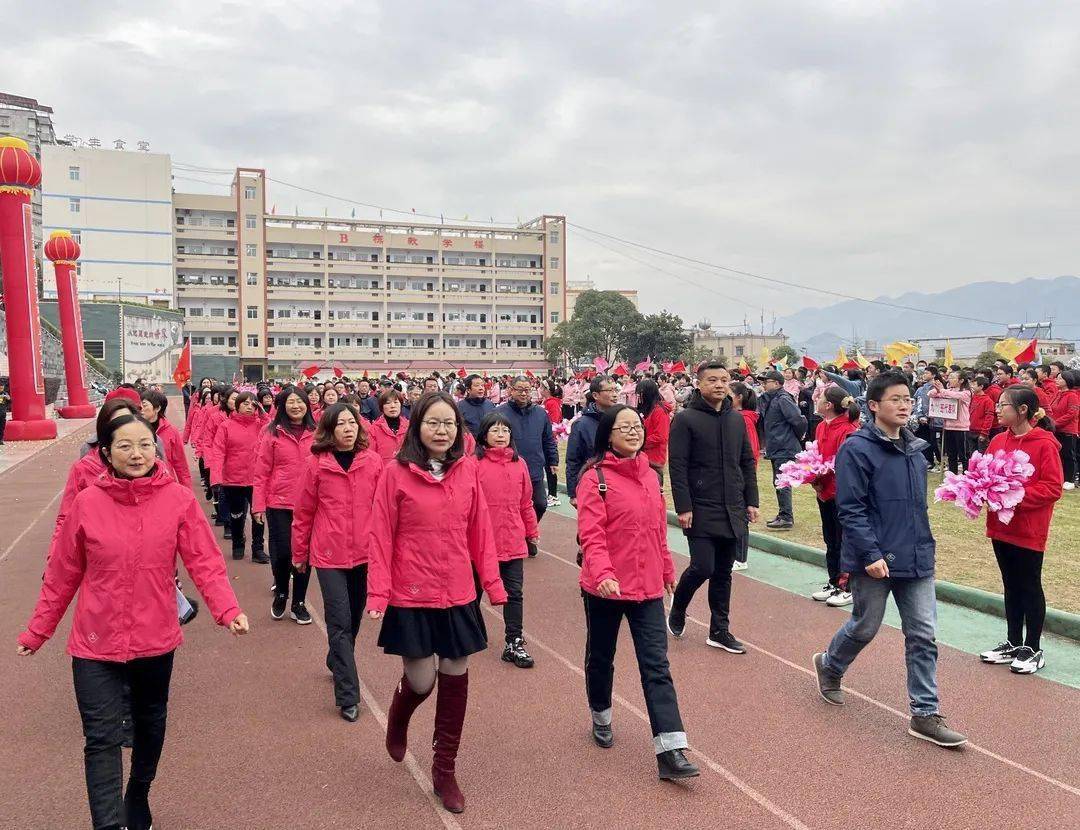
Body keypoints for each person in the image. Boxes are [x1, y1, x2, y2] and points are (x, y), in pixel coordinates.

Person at [17, 412, 249, 830]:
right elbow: (62, 573)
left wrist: (227, 609)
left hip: (154, 636)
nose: (136, 453)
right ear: (106, 452)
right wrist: (39, 630)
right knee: (101, 738)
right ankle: (107, 822)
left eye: (144, 444)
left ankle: (138, 792)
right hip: (94, 639)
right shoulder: (87, 503)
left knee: (149, 726)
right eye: (124, 445)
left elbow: (205, 561)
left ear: (155, 448)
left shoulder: (178, 499)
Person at [367, 391, 506, 814]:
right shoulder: (395, 473)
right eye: (433, 422)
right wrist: (378, 591)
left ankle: (444, 770)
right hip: (411, 593)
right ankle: (400, 713)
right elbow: (380, 534)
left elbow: (480, 531)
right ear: (417, 426)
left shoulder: (468, 472)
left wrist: (495, 586)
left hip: (459, 592)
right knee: (423, 680)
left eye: (449, 423)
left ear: (459, 429)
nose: (442, 431)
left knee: (455, 673)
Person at [812, 374, 967, 748]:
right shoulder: (857, 448)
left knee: (923, 635)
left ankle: (925, 713)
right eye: (895, 399)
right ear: (873, 406)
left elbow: (916, 509)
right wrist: (870, 554)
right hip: (874, 561)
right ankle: (830, 665)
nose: (903, 405)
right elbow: (850, 510)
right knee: (865, 627)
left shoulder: (915, 449)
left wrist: (924, 547)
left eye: (907, 400)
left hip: (916, 558)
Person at [577, 404, 699, 780]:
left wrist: (666, 569)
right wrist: (604, 574)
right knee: (601, 656)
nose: (633, 432)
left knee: (656, 667)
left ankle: (671, 750)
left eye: (637, 426)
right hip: (606, 588)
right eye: (624, 427)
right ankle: (601, 713)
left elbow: (656, 531)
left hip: (646, 588)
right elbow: (592, 535)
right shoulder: (593, 478)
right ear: (608, 434)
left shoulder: (649, 476)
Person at [292, 403, 383, 722]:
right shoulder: (316, 465)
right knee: (339, 620)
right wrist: (299, 554)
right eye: (340, 423)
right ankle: (348, 694)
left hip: (364, 553)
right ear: (329, 430)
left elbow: (384, 510)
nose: (347, 428)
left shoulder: (373, 463)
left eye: (352, 422)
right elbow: (303, 513)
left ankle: (336, 658)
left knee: (354, 618)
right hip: (328, 554)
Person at [667, 362, 759, 654]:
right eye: (712, 380)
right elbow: (678, 467)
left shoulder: (736, 420)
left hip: (732, 506)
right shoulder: (685, 420)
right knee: (702, 566)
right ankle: (678, 606)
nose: (719, 385)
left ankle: (719, 630)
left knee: (724, 571)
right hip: (700, 506)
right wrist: (684, 506)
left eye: (724, 380)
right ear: (699, 385)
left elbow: (747, 462)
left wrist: (751, 500)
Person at [979, 386, 1062, 674]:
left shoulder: (1044, 443)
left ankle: (1033, 647)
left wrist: (1013, 496)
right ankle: (1013, 641)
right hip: (1001, 527)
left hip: (1028, 527)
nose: (998, 409)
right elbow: (984, 475)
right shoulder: (998, 440)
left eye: (1003, 405)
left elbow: (1052, 487)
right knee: (1010, 584)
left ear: (1023, 410)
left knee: (1029, 584)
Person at [474, 412, 539, 668]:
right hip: (480, 542)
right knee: (472, 593)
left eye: (505, 431)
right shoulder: (473, 464)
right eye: (495, 430)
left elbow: (526, 502)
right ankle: (468, 634)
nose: (501, 435)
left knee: (515, 594)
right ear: (484, 435)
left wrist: (531, 530)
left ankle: (514, 641)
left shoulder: (519, 463)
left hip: (512, 539)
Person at [253, 386, 317, 624]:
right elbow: (261, 472)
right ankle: (281, 592)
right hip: (279, 502)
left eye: (299, 402)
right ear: (282, 406)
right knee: (282, 555)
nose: (296, 406)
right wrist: (258, 505)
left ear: (307, 405)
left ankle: (298, 602)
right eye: (290, 402)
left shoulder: (318, 432)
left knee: (304, 555)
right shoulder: (272, 432)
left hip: (310, 505)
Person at [809, 386, 860, 606]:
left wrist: (824, 478)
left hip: (843, 493)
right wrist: (813, 478)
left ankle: (848, 586)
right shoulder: (821, 426)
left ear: (828, 405)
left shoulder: (848, 430)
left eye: (819, 398)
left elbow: (845, 465)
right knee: (830, 539)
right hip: (824, 491)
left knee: (844, 539)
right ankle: (833, 581)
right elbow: (817, 457)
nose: (816, 400)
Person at [495, 376, 558, 530]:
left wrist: (553, 460)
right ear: (511, 390)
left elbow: (548, 439)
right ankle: (520, 537)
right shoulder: (499, 413)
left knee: (540, 504)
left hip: (535, 468)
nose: (524, 394)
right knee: (513, 508)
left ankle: (528, 531)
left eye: (527, 390)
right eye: (520, 390)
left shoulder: (540, 413)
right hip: (509, 469)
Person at [211, 391, 267, 562]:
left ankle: (257, 548)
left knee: (259, 514)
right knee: (237, 514)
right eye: (245, 403)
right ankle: (238, 543)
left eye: (253, 404)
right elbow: (218, 452)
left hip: (257, 479)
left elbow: (271, 426)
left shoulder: (260, 425)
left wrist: (263, 412)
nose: (249, 407)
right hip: (233, 479)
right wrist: (216, 478)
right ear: (237, 406)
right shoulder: (226, 426)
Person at [757, 370, 807, 529]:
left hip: (784, 446)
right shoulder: (771, 399)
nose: (764, 384)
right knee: (778, 482)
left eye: (767, 381)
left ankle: (786, 517)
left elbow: (798, 420)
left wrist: (797, 438)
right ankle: (783, 514)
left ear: (778, 384)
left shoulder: (783, 399)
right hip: (777, 446)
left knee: (783, 481)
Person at [566, 376, 620, 505]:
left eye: (615, 390)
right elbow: (573, 460)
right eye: (609, 391)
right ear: (595, 395)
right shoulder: (581, 425)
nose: (615, 395)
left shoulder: (622, 418)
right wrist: (573, 492)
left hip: (619, 485)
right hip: (594, 486)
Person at [728, 381, 759, 571]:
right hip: (735, 473)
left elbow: (750, 451)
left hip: (741, 474)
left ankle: (740, 557)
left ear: (739, 397)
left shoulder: (744, 419)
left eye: (729, 393)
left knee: (741, 516)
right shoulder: (734, 417)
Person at [139, 389, 192, 491]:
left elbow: (181, 465)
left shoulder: (171, 431)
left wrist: (187, 491)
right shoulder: (133, 429)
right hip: (141, 485)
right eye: (140, 404)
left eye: (144, 405)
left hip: (165, 484)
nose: (140, 408)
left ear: (157, 408)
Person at [929, 371, 972, 474]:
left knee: (963, 455)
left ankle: (967, 475)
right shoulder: (947, 390)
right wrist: (937, 389)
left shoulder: (966, 392)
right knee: (951, 454)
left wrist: (942, 390)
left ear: (961, 380)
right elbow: (930, 394)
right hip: (948, 426)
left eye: (953, 378)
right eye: (949, 377)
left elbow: (956, 395)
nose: (949, 380)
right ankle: (952, 476)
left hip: (961, 428)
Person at [637, 378, 671, 486]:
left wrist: (641, 443)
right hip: (646, 455)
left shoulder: (660, 411)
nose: (639, 398)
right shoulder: (650, 409)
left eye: (640, 394)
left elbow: (661, 436)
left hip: (654, 458)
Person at [1050, 370, 1079, 489]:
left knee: (1069, 455)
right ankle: (1061, 477)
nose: (1057, 380)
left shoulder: (1072, 395)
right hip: (1056, 429)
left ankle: (1070, 479)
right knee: (1059, 454)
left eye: (1060, 378)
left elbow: (1072, 413)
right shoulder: (1058, 394)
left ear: (1067, 381)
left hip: (1068, 430)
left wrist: (1056, 423)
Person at [368, 387, 410, 462]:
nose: (392, 406)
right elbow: (371, 458)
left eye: (396, 402)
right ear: (382, 407)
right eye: (388, 403)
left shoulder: (410, 427)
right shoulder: (374, 429)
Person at [541, 381, 564, 507]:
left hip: (549, 439)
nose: (539, 389)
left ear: (546, 389)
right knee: (547, 466)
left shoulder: (552, 403)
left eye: (541, 387)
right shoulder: (548, 402)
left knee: (551, 466)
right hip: (545, 438)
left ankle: (553, 495)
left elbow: (554, 422)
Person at [969, 376, 996, 453]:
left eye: (974, 384)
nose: (972, 386)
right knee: (972, 454)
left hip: (980, 432)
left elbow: (989, 418)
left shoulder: (988, 401)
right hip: (970, 430)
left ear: (981, 386)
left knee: (982, 454)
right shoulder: (972, 397)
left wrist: (984, 433)